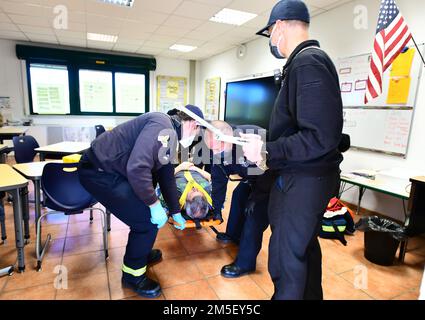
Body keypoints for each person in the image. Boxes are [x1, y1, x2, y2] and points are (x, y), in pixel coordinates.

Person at [242, 0, 344, 300]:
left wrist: (266, 150)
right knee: (303, 252)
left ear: (281, 26)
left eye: (271, 31)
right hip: (306, 179)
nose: (272, 39)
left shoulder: (308, 62)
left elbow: (319, 137)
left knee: (287, 261)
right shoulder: (305, 62)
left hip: (302, 183)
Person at [78, 105, 204, 298]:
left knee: (147, 215)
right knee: (146, 221)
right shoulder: (164, 127)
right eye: (198, 133)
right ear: (194, 124)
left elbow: (166, 175)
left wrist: (175, 210)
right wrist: (154, 206)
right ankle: (132, 275)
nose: (195, 139)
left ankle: (141, 252)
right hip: (100, 172)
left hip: (112, 172)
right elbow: (137, 169)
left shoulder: (168, 131)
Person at [204, 120, 275, 278]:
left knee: (254, 214)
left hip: (272, 180)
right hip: (251, 178)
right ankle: (233, 235)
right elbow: (218, 180)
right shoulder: (218, 151)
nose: (215, 154)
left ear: (225, 140)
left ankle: (246, 263)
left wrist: (257, 197)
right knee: (238, 195)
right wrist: (216, 209)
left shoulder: (251, 139)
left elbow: (270, 172)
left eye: (216, 149)